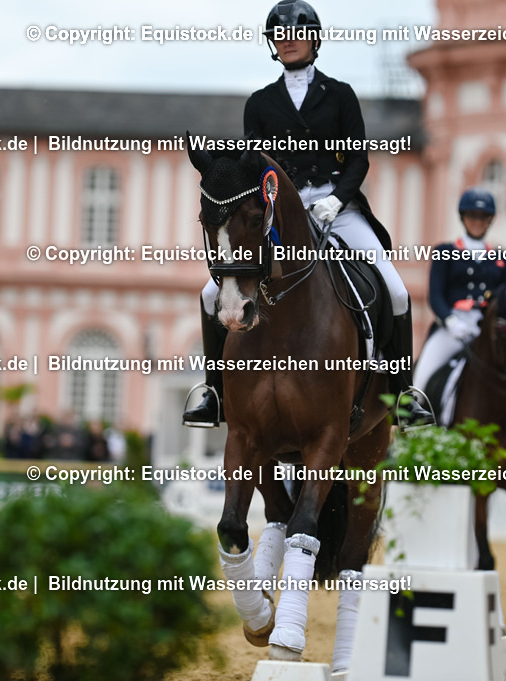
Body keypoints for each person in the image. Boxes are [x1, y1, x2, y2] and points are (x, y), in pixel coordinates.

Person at [183, 0, 432, 429]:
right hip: (283, 210)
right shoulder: (260, 102)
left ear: (313, 40)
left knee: (395, 289)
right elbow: (254, 165)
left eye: (296, 35)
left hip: (338, 207)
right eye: (280, 37)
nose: (288, 42)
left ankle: (404, 393)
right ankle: (214, 393)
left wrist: (337, 199)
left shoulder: (340, 95)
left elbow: (358, 159)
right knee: (211, 294)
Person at [411, 188, 506, 398]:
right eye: (472, 215)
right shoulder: (444, 252)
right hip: (452, 328)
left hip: (487, 329)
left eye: (483, 216)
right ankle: (412, 412)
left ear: (490, 220)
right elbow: (435, 295)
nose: (477, 221)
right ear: (463, 217)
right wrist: (450, 321)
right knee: (420, 378)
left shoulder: (501, 259)